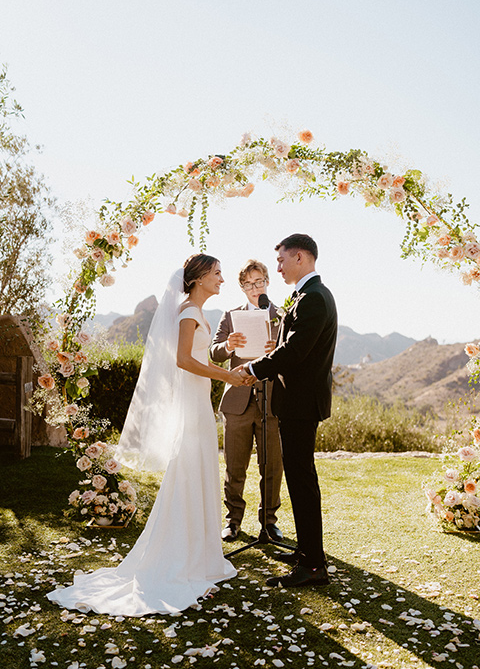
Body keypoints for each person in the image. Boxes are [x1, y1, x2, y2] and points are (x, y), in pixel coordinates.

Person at [47, 254, 245, 616]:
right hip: (191, 407)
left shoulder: (196, 313)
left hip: (198, 404)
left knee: (197, 474)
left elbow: (196, 359)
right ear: (199, 278)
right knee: (187, 474)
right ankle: (179, 559)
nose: (222, 279)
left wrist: (228, 365)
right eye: (217, 273)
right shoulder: (188, 313)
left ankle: (198, 556)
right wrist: (226, 376)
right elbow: (183, 360)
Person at [239, 234, 337, 589]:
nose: (277, 267)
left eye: (280, 260)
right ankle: (307, 552)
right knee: (298, 478)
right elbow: (292, 348)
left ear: (299, 257)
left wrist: (252, 369)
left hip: (300, 404)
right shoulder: (309, 296)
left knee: (301, 481)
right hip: (297, 402)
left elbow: (294, 353)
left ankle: (314, 565)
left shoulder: (313, 299)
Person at [210, 259, 284, 542]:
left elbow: (295, 357)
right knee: (235, 466)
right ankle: (232, 521)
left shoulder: (283, 315)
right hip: (238, 401)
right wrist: (228, 345)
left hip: (273, 403)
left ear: (267, 282)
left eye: (260, 282)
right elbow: (214, 353)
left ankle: (269, 522)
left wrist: (277, 350)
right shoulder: (230, 316)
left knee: (272, 467)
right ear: (242, 287)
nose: (255, 288)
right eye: (249, 284)